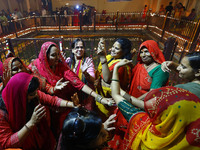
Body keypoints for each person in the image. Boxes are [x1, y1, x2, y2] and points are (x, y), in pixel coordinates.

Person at [28, 41, 114, 137]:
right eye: (53, 55)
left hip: (65, 105)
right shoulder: (35, 68)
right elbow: (36, 88)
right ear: (45, 56)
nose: (58, 58)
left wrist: (100, 98)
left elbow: (79, 84)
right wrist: (53, 89)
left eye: (58, 54)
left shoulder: (61, 67)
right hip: (46, 107)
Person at [110, 59, 200, 149]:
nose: (178, 68)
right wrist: (173, 65)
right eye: (179, 64)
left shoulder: (177, 92)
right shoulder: (192, 137)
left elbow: (143, 105)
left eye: (183, 66)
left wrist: (120, 91)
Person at [0, 72, 77, 149]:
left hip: (37, 139)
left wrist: (72, 104)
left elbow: (52, 100)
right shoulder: (2, 113)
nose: (36, 95)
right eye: (32, 94)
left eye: (36, 92)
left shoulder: (31, 94)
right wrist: (31, 123)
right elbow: (7, 142)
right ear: (20, 95)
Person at [0, 57, 68, 95]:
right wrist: (5, 87)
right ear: (8, 72)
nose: (20, 71)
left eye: (21, 67)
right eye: (15, 69)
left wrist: (54, 89)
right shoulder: (4, 84)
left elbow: (47, 89)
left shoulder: (32, 78)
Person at [66, 38, 96, 110]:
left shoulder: (88, 61)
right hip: (71, 97)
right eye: (77, 47)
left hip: (85, 97)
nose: (79, 49)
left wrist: (85, 73)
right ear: (73, 50)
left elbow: (92, 80)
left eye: (81, 47)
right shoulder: (68, 61)